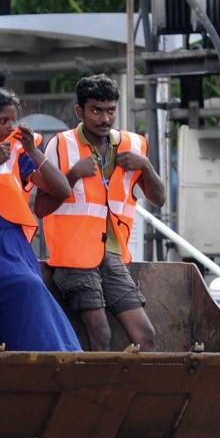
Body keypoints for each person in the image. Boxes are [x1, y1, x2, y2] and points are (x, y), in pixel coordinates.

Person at [36, 74, 165, 351]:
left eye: (110, 111)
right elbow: (41, 207)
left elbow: (160, 199)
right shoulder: (60, 145)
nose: (105, 118)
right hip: (73, 258)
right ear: (79, 112)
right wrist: (72, 175)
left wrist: (145, 166)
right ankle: (102, 394)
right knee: (101, 334)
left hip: (113, 256)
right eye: (96, 110)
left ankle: (139, 392)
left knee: (145, 335)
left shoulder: (134, 146)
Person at [0, 87, 81, 352]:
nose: (10, 127)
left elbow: (62, 190)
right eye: (3, 121)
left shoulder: (17, 153)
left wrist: (33, 152)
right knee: (28, 287)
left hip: (17, 247)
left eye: (14, 120)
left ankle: (65, 354)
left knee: (35, 289)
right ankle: (51, 354)